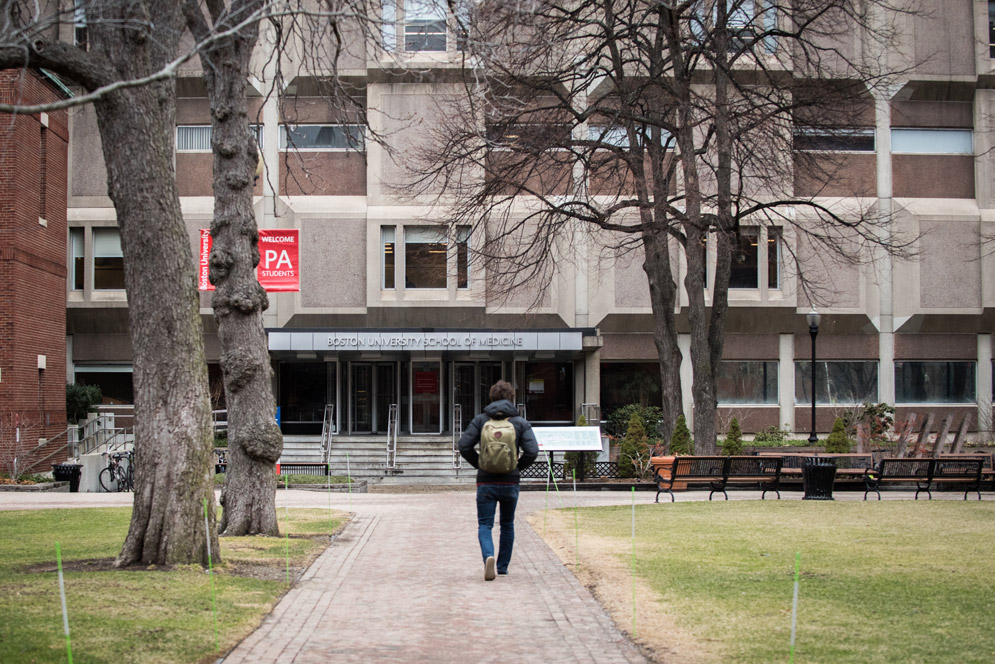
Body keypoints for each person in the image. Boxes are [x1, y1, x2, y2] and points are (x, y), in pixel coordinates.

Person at [458, 379, 538, 581]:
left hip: (486, 481)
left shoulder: (481, 420)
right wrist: (517, 467)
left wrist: (480, 464)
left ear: (491, 398)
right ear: (511, 398)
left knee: (485, 524)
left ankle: (488, 556)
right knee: (507, 524)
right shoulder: (519, 423)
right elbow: (532, 451)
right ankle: (502, 567)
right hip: (510, 481)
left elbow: (464, 446)